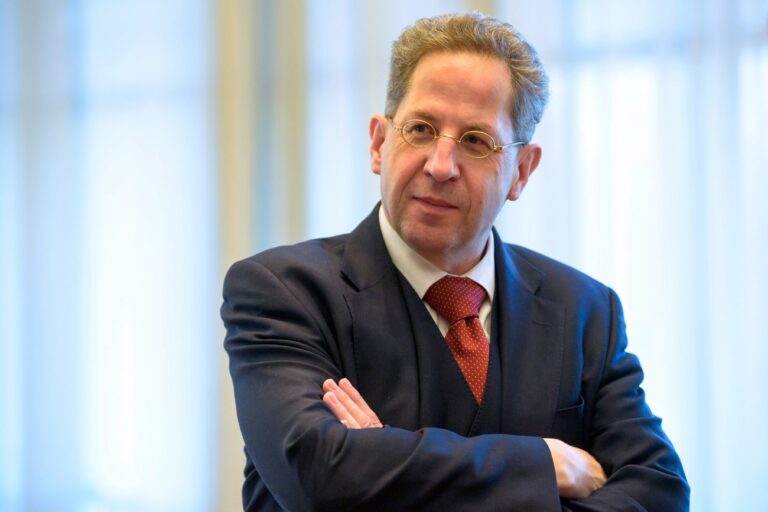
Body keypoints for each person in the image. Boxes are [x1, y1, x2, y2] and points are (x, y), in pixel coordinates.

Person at [221, 12, 689, 511]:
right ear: (380, 143)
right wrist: (547, 465)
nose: (440, 165)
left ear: (522, 172)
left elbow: (659, 490)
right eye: (420, 129)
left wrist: (386, 465)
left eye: (474, 141)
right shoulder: (283, 291)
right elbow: (317, 472)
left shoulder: (583, 310)